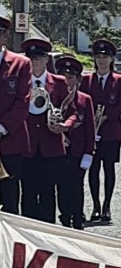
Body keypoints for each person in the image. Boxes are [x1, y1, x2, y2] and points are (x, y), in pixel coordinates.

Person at [20, 39, 76, 223]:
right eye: (31, 57)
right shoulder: (21, 80)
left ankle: (47, 232)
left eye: (39, 57)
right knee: (28, 192)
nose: (35, 61)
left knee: (48, 192)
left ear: (46, 59)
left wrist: (65, 125)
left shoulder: (58, 82)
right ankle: (28, 232)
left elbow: (73, 111)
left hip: (51, 146)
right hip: (27, 146)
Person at [80, 39, 121, 223]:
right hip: (91, 132)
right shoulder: (87, 80)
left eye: (105, 57)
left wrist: (106, 116)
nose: (101, 60)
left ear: (111, 59)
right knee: (93, 169)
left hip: (111, 133)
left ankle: (107, 205)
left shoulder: (119, 80)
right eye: (98, 57)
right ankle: (95, 205)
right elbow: (81, 102)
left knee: (109, 169)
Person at [55, 55, 95, 230]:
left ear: (78, 80)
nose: (66, 81)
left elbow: (90, 129)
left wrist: (89, 152)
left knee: (76, 185)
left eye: (70, 77)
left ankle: (78, 217)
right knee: (61, 186)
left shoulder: (84, 99)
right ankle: (64, 216)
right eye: (63, 77)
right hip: (58, 151)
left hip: (78, 151)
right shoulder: (54, 98)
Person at [0, 16, 31, 214]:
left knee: (10, 199)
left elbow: (23, 100)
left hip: (10, 140)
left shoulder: (21, 63)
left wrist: (2, 127)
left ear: (6, 36)